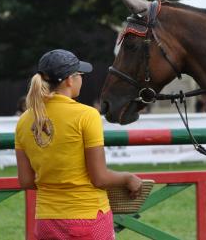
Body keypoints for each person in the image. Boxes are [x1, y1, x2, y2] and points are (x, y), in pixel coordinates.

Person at [15, 49, 142, 240]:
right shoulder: (86, 115)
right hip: (87, 218)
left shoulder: (24, 120)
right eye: (80, 74)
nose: (82, 79)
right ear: (69, 80)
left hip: (46, 221)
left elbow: (26, 181)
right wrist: (128, 178)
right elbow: (100, 178)